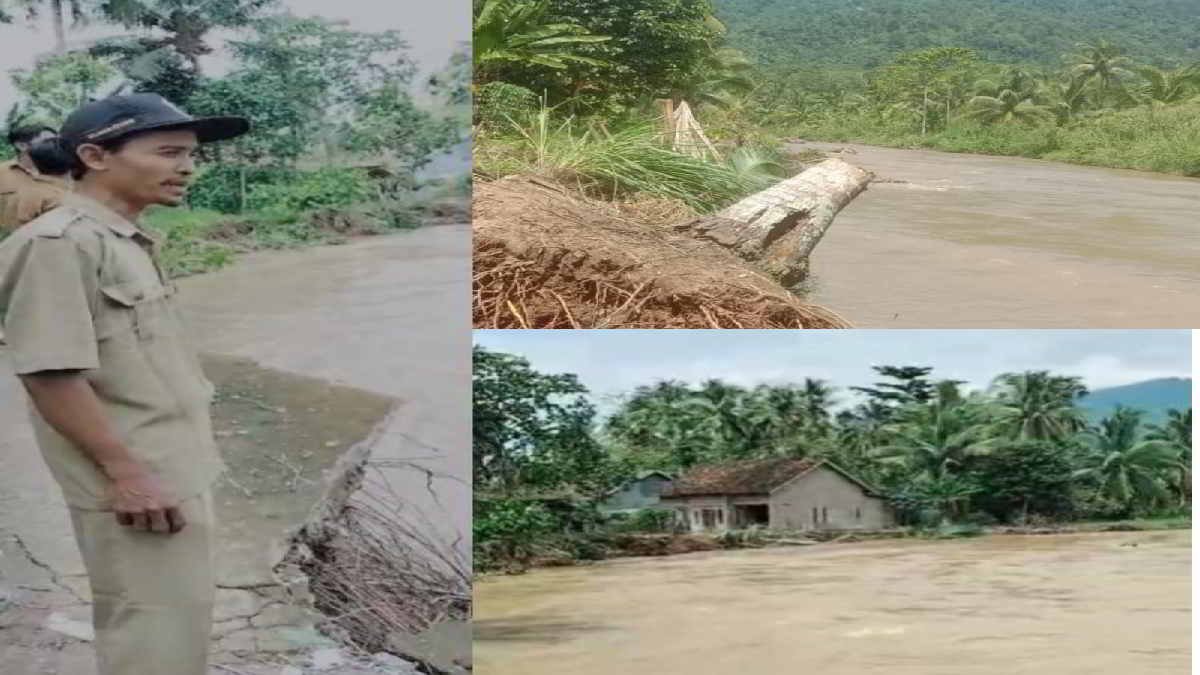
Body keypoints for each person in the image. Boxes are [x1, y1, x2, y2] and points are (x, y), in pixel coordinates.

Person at [0, 93, 249, 675]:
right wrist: (128, 475)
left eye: (190, 155)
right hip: (138, 482)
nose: (187, 168)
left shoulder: (122, 239)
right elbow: (50, 373)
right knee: (153, 634)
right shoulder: (57, 244)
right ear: (95, 156)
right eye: (168, 152)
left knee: (180, 619)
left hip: (171, 464)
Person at [0, 125, 70, 231]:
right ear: (22, 145)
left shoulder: (69, 171)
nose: (55, 145)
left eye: (56, 141)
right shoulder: (2, 172)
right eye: (47, 141)